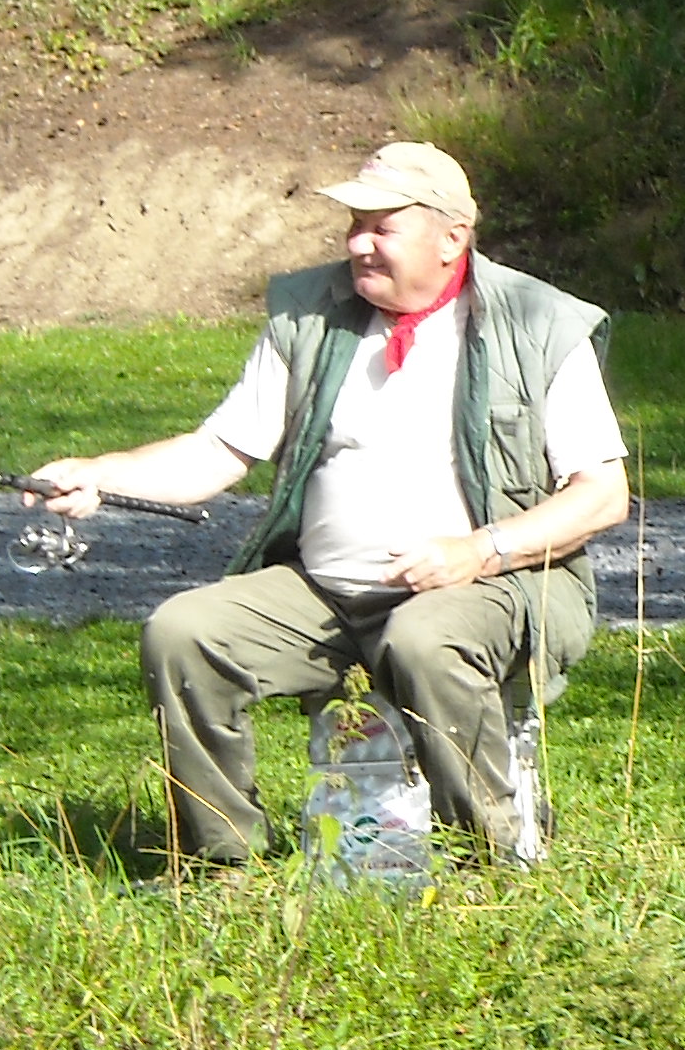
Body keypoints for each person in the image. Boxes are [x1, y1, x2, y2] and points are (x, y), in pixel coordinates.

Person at [33, 143, 629, 869]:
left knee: (424, 641)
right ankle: (223, 865)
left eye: (382, 226)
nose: (357, 242)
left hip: (496, 585)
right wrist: (101, 474)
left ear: (452, 239)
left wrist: (478, 552)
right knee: (183, 633)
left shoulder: (538, 325)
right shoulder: (312, 317)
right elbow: (219, 451)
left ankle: (491, 862)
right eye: (354, 223)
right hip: (326, 591)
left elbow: (601, 496)